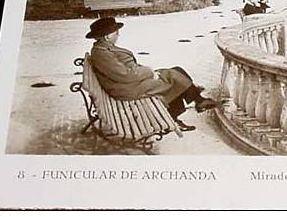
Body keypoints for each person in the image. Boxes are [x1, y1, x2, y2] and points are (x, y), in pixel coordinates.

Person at [86, 17, 218, 132]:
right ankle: (184, 107)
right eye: (116, 33)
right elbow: (124, 75)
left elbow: (124, 71)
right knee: (171, 81)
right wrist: (149, 72)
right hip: (126, 88)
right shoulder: (101, 53)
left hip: (129, 82)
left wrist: (148, 72)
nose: (118, 35)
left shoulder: (103, 48)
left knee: (175, 70)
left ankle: (195, 98)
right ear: (107, 36)